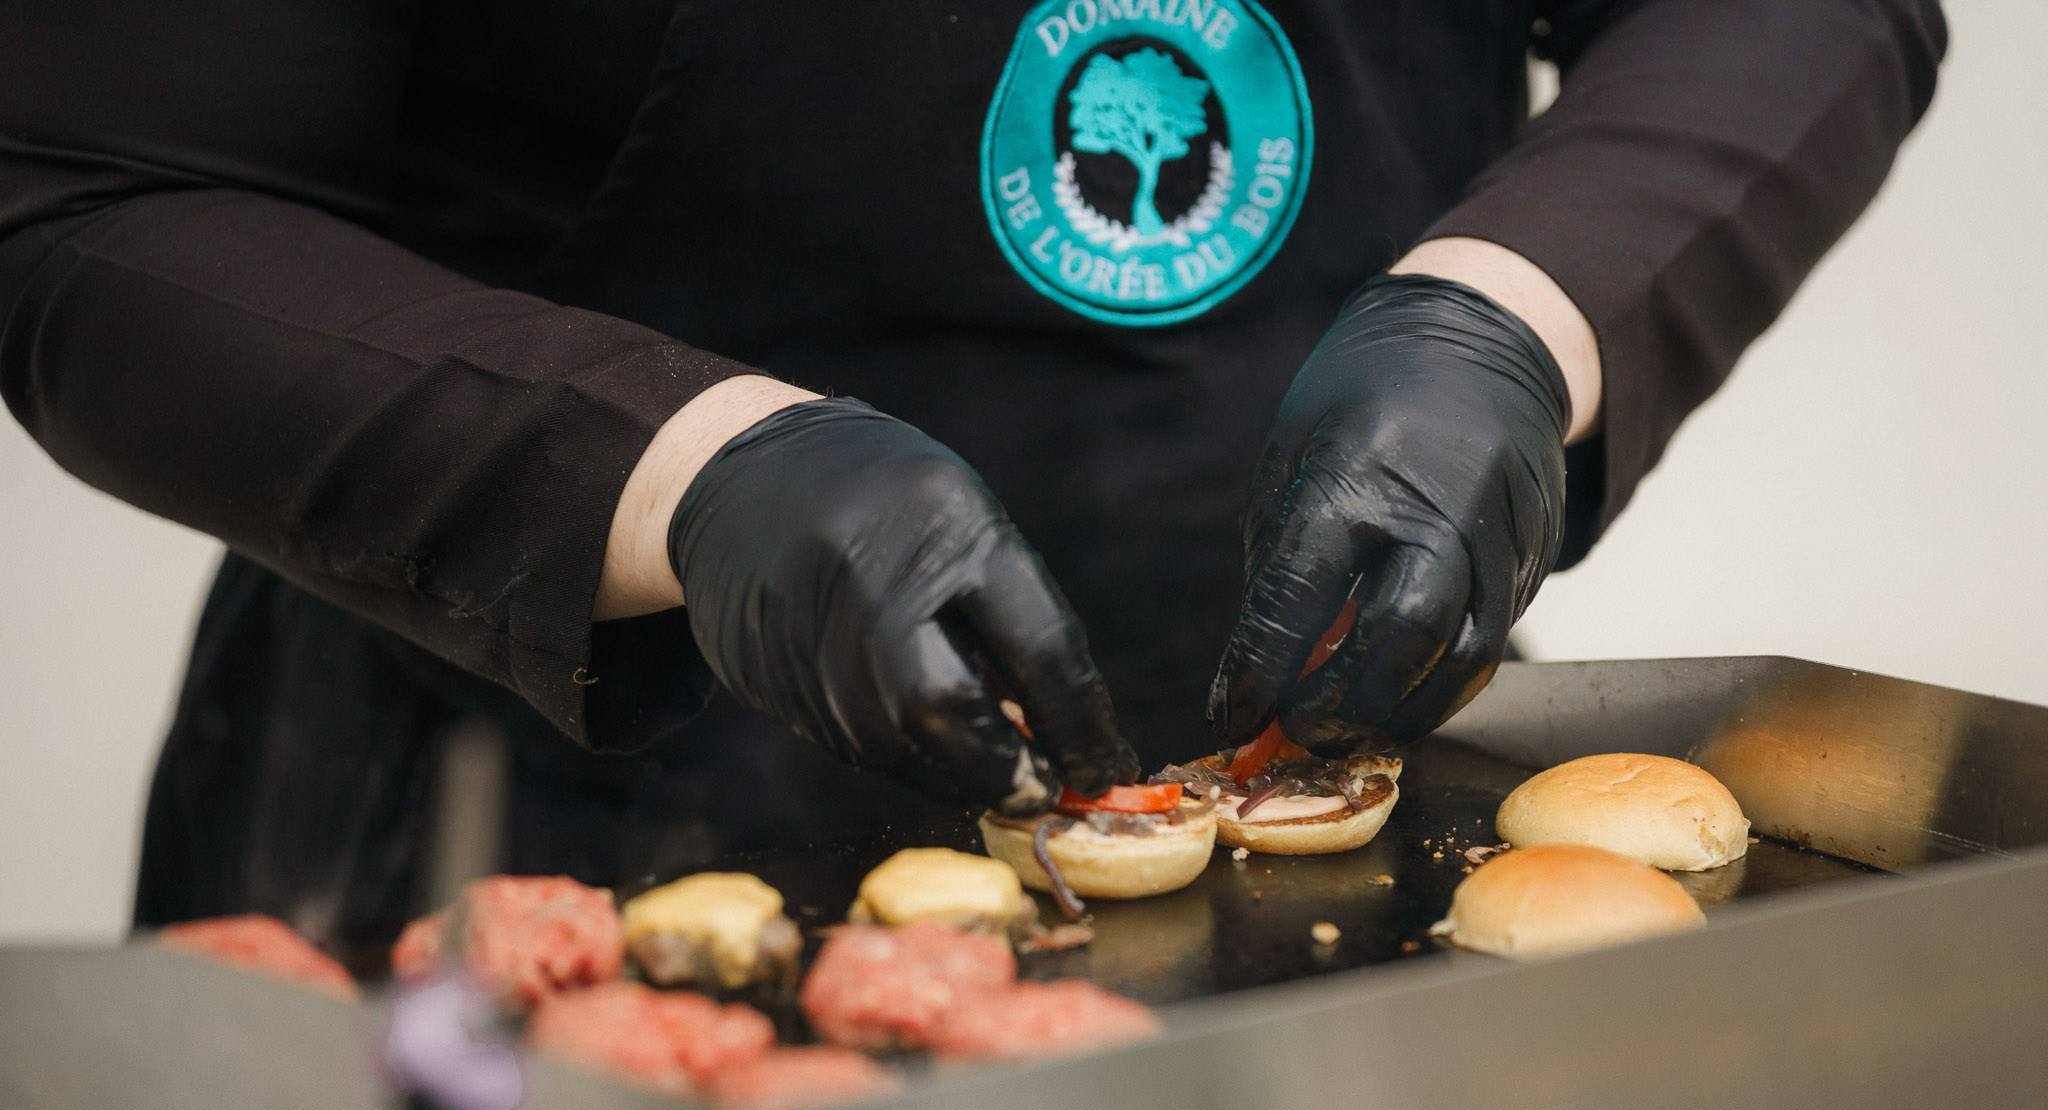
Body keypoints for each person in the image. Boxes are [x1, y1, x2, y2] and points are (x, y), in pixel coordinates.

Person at [1, 0, 1944, 948]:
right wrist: (683, 470)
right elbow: (89, 192)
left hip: (1309, 837)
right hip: (536, 818)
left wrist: (1515, 316)